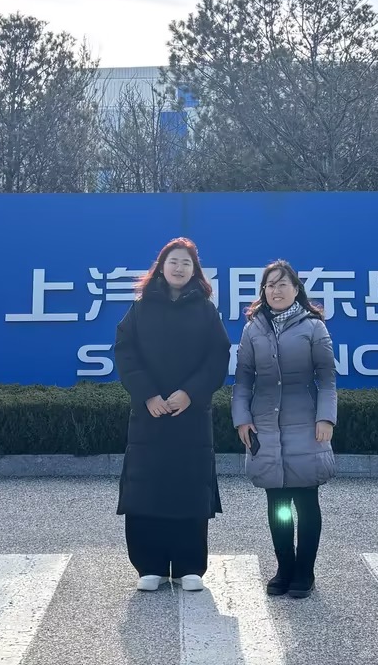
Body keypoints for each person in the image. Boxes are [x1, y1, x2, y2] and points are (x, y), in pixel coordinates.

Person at [113, 237, 232, 593]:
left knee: (188, 487)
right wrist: (147, 394)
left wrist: (190, 393)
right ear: (161, 267)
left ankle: (188, 566)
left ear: (195, 271)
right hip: (149, 416)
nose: (179, 268)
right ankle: (149, 565)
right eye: (173, 261)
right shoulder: (140, 309)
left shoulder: (206, 310)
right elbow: (125, 353)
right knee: (146, 489)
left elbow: (218, 356)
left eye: (186, 263)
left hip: (190, 416)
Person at [231, 260, 337, 599]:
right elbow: (243, 379)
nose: (276, 290)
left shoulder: (314, 327)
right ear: (263, 291)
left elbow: (327, 379)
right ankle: (284, 568)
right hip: (264, 425)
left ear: (296, 289)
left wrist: (326, 418)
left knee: (305, 499)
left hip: (306, 424)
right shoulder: (253, 329)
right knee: (276, 500)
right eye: (270, 285)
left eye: (282, 284)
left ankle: (305, 571)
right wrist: (241, 418)